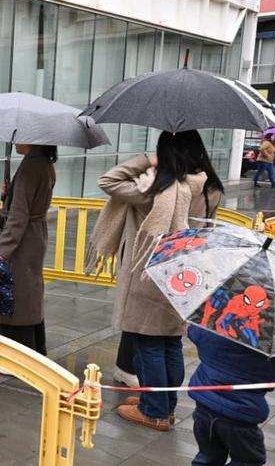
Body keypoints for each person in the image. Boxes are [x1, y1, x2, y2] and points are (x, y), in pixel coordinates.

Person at [94, 130, 224, 431]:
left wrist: (145, 160)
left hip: (150, 273)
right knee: (169, 344)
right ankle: (165, 407)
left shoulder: (155, 189)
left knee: (149, 344)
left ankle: (154, 411)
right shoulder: (210, 188)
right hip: (186, 274)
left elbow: (108, 181)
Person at [178, 324, 275, 466]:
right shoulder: (271, 339)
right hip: (239, 414)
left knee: (208, 454)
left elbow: (194, 333)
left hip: (205, 404)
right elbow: (273, 377)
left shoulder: (219, 322)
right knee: (250, 459)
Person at [0, 144, 57, 355]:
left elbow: (18, 216)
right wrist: (8, 196)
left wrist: (1, 251)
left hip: (22, 240)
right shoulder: (45, 163)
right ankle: (35, 345)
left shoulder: (29, 167)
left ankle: (16, 352)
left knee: (17, 292)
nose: (16, 142)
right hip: (34, 236)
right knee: (29, 290)